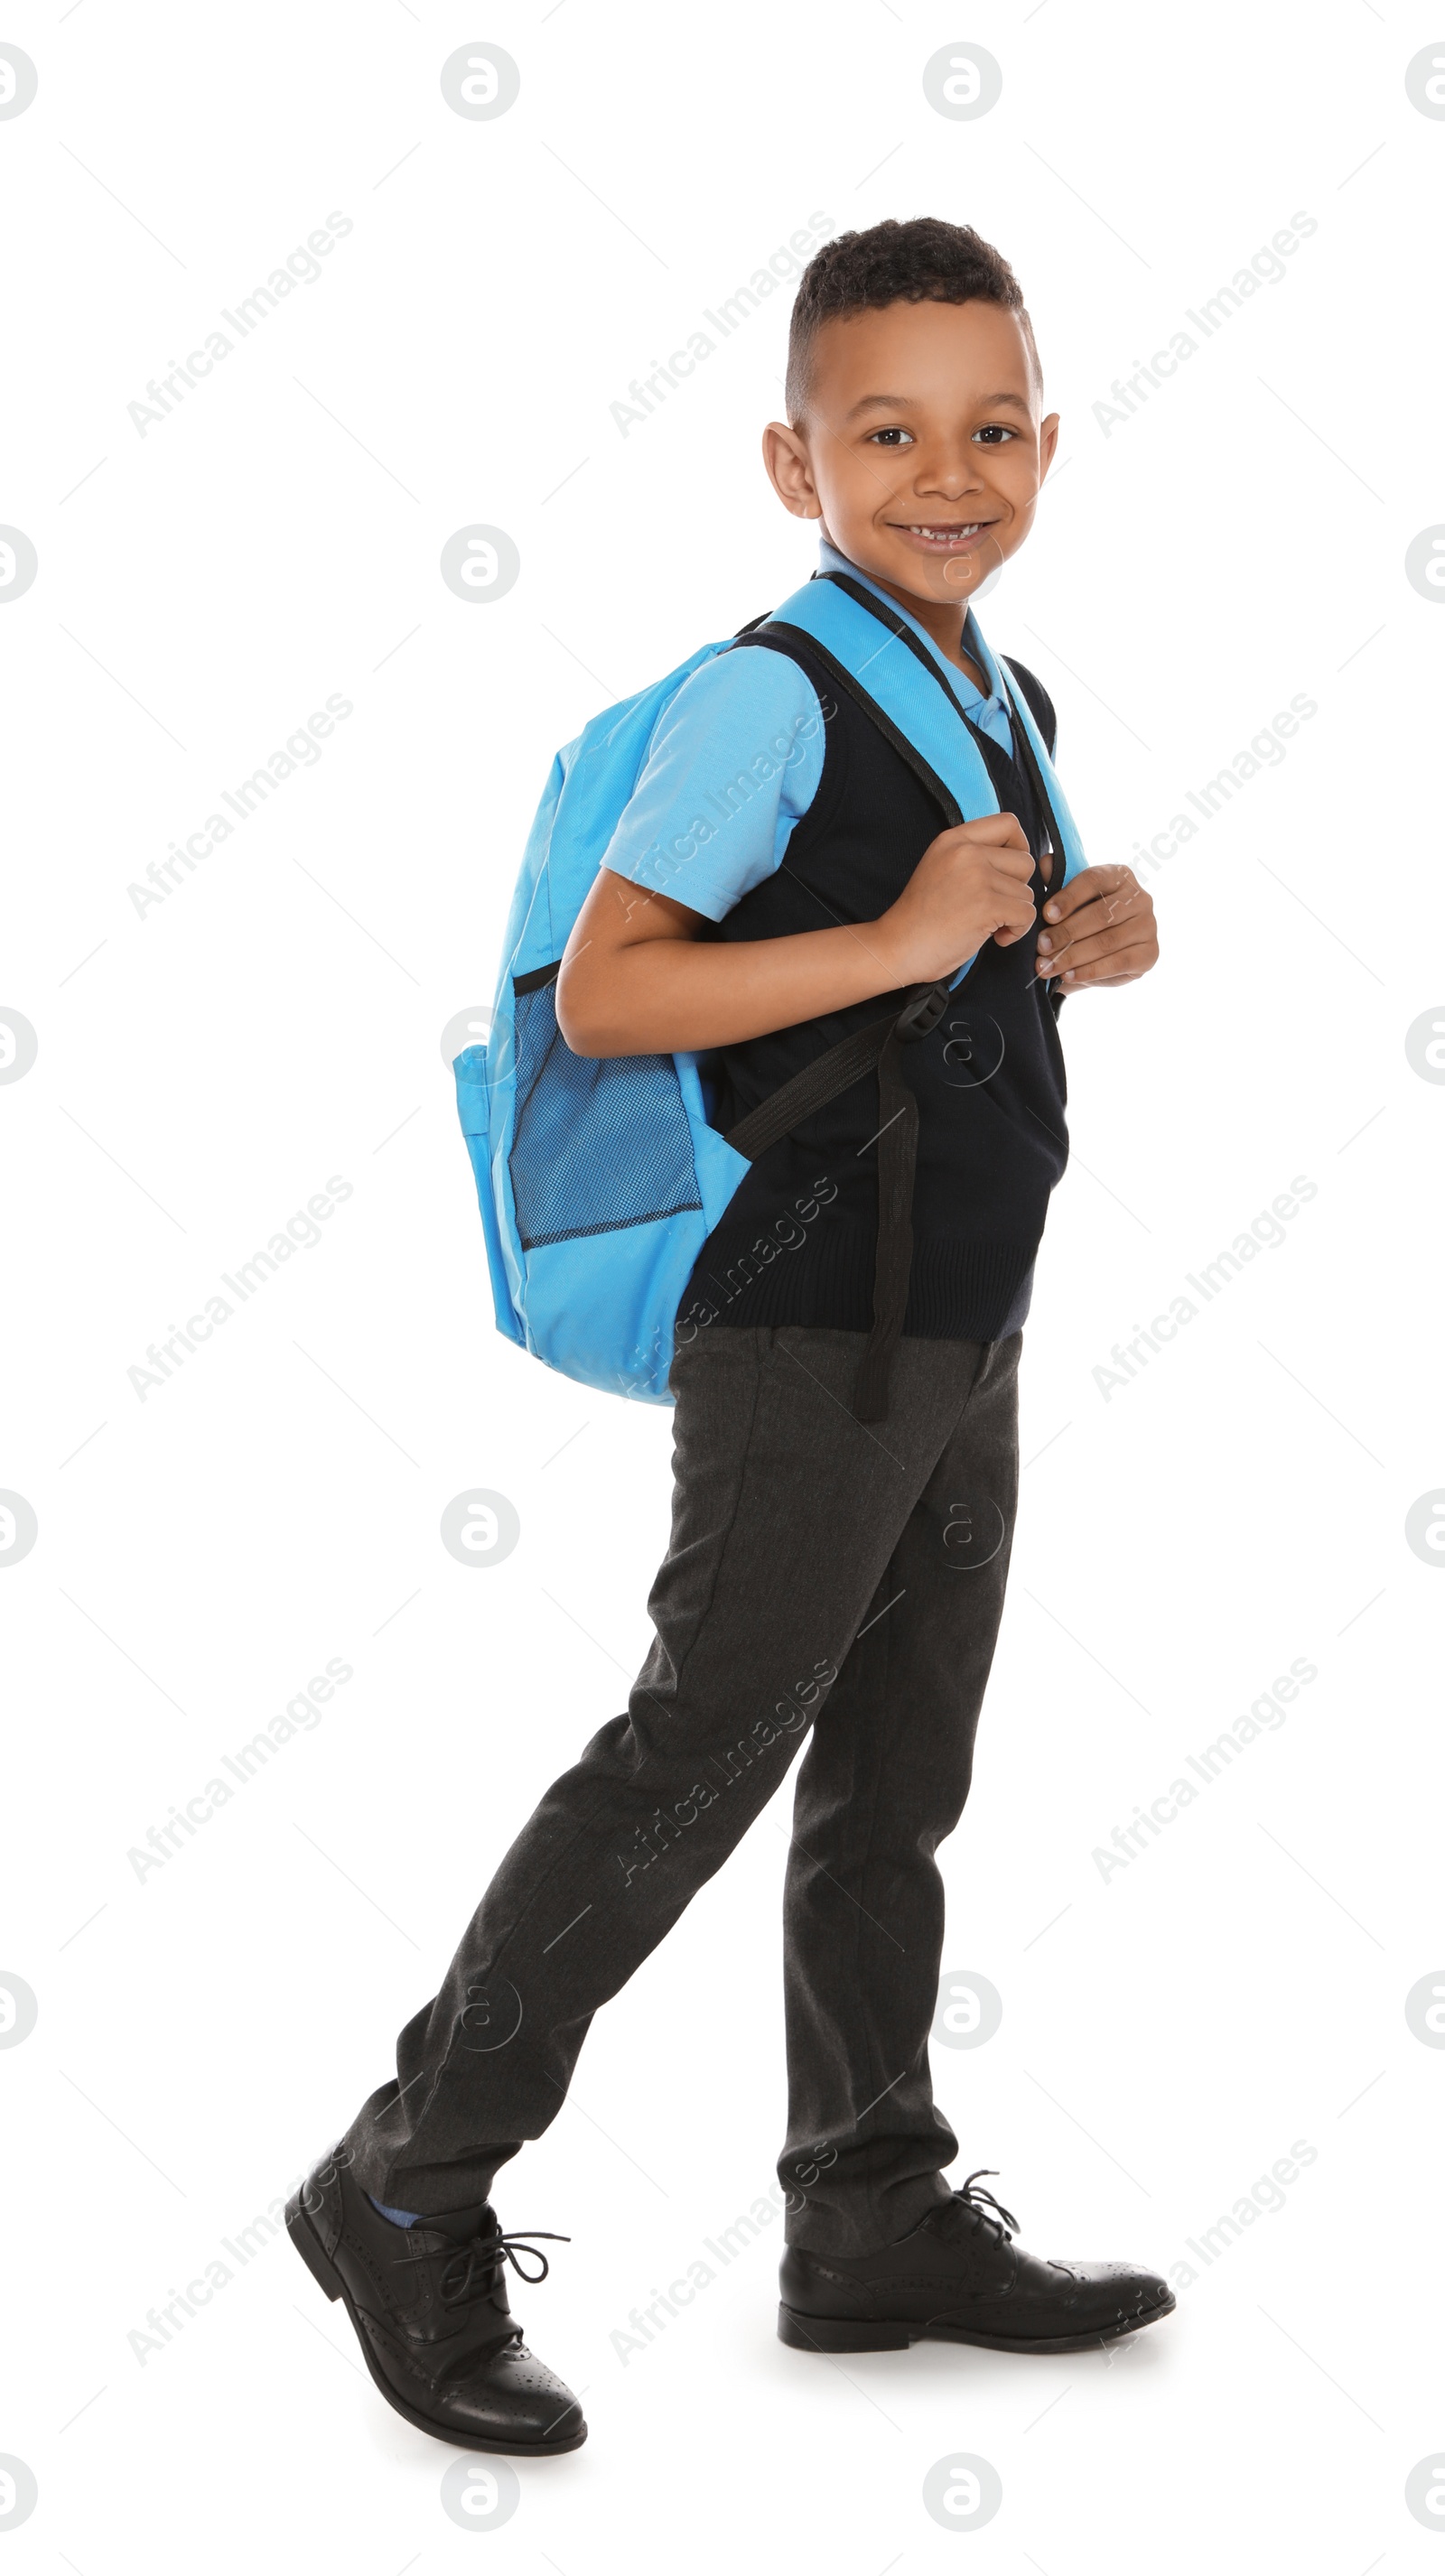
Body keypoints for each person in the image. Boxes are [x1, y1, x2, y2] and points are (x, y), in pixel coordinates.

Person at [288, 215, 1166, 2456]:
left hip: (953, 1315)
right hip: (800, 1322)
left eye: (987, 427)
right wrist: (895, 928)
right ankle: (404, 2178)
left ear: (1045, 443)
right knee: (695, 1751)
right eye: (885, 430)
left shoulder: (994, 686)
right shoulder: (769, 691)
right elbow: (614, 990)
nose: (943, 469)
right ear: (794, 461)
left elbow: (943, 983)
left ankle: (862, 2202)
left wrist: (1075, 932)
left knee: (897, 1760)